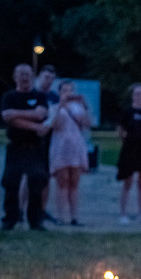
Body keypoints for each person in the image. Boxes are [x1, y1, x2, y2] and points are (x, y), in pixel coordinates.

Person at [0, 64, 49, 231]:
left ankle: (35, 221)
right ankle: (10, 219)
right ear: (15, 77)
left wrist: (17, 113)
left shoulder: (40, 96)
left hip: (35, 148)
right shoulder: (9, 97)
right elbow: (8, 118)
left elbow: (41, 114)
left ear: (32, 76)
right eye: (21, 74)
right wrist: (34, 125)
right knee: (10, 181)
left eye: (27, 74)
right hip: (16, 147)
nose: (24, 77)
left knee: (37, 179)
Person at [47, 79, 91, 226]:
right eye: (64, 90)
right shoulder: (54, 108)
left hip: (76, 147)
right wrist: (62, 105)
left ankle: (74, 217)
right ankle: (60, 216)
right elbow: (54, 124)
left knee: (74, 183)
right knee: (62, 183)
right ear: (59, 92)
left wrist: (84, 105)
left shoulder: (77, 108)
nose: (68, 93)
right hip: (61, 148)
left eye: (70, 90)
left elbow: (87, 123)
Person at [19, 64, 59, 222]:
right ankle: (20, 209)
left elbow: (55, 117)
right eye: (46, 77)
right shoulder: (30, 94)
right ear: (39, 77)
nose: (49, 81)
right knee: (26, 176)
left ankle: (41, 210)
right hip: (30, 140)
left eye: (52, 79)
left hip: (48, 141)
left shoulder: (54, 97)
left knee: (45, 177)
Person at [116, 82, 141, 225]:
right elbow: (120, 130)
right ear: (133, 95)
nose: (139, 96)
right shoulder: (127, 112)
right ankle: (123, 213)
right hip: (129, 150)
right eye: (136, 93)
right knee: (128, 181)